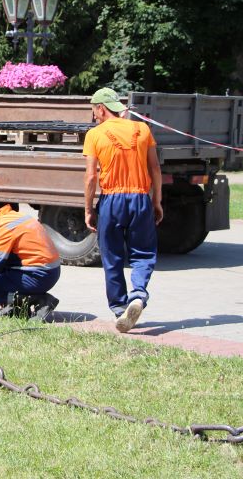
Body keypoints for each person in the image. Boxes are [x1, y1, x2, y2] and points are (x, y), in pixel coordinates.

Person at [82, 88, 163, 332]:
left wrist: (88, 209)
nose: (94, 115)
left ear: (101, 108)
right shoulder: (142, 129)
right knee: (143, 253)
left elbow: (90, 177)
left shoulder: (95, 134)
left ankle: (119, 308)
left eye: (93, 110)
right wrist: (156, 201)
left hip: (112, 200)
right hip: (140, 198)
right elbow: (155, 169)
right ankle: (138, 294)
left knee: (112, 256)